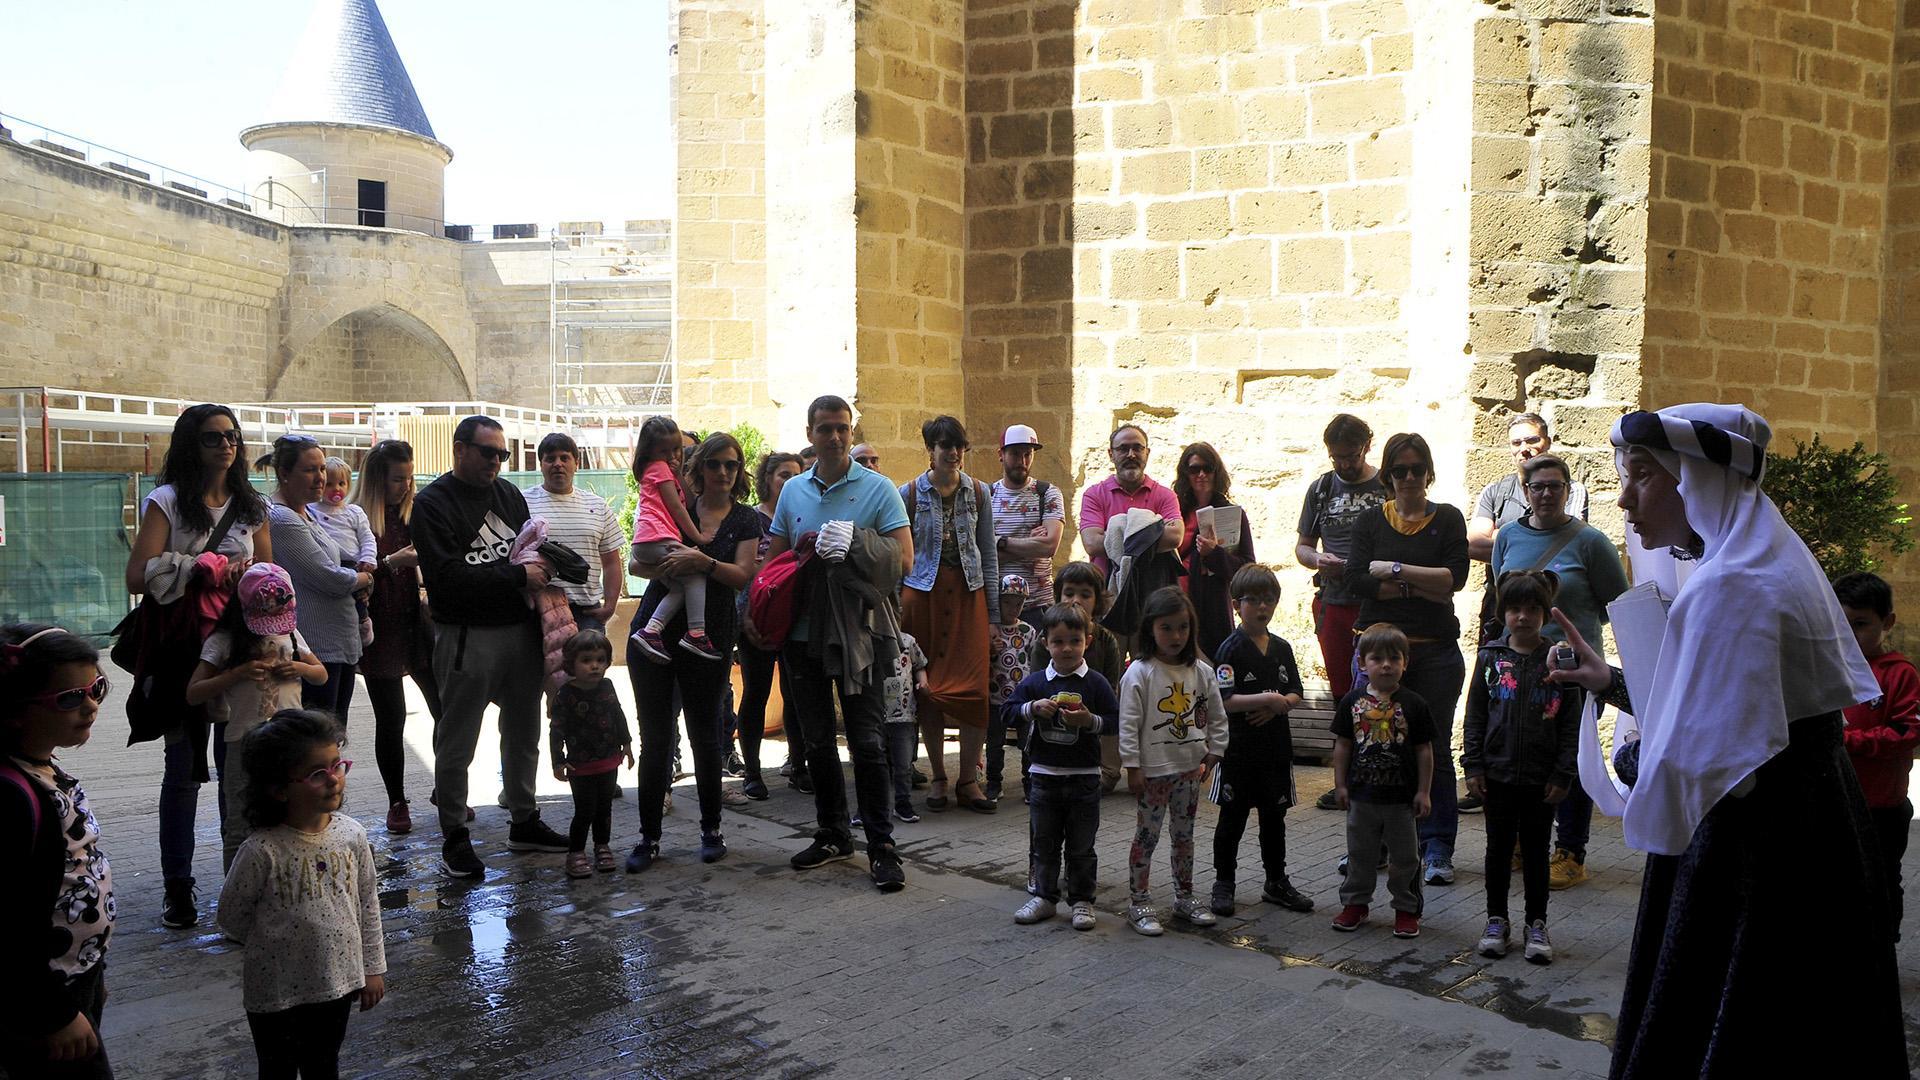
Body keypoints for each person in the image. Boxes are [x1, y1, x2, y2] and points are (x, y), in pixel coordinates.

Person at [1546, 404, 1903, 1077]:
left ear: (1698, 479)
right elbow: (1738, 707)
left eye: (1644, 476)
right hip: (1817, 829)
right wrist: (1612, 682)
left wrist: (1631, 759)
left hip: (1753, 853)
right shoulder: (1768, 559)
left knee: (1732, 1020)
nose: (1625, 498)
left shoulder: (1730, 588)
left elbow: (1709, 762)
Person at [757, 395, 913, 891]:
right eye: (825, 428)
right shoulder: (793, 492)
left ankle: (881, 844)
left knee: (867, 741)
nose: (835, 436)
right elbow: (776, 564)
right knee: (819, 742)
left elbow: (905, 560)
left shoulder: (878, 488)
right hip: (802, 634)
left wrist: (858, 541)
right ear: (810, 434)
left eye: (843, 428)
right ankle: (832, 833)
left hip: (858, 634)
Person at [125, 403, 271, 928]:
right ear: (192, 445)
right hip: (182, 651)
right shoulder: (166, 501)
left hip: (236, 646)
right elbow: (138, 576)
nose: (226, 445)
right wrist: (205, 567)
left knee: (239, 771)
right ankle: (178, 888)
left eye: (232, 436)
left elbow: (269, 576)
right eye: (213, 438)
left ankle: (239, 883)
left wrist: (247, 574)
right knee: (183, 773)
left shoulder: (252, 506)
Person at [413, 415, 568, 877]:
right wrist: (517, 575)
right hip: (467, 635)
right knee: (457, 739)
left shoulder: (508, 494)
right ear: (459, 449)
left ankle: (524, 819)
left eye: (502, 454)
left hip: (519, 631)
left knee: (524, 732)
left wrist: (555, 563)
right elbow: (445, 579)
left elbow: (527, 548)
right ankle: (455, 835)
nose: (497, 462)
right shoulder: (432, 503)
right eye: (488, 452)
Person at [217, 710, 385, 1080]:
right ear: (278, 789)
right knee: (276, 1068)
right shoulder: (262, 850)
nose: (334, 780)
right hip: (274, 991)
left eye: (337, 765)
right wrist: (275, 943)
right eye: (317, 773)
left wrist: (372, 968)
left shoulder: (352, 836)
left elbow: (367, 903)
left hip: (336, 983)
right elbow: (231, 916)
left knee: (323, 1065)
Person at [1488, 452, 1629, 888]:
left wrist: (1573, 638)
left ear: (1568, 491)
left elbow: (1616, 605)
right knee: (1520, 748)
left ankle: (1571, 851)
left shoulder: (1591, 541)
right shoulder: (1507, 537)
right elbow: (1503, 599)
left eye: (1555, 486)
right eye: (1538, 487)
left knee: (1571, 755)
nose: (1546, 493)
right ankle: (1518, 842)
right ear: (1525, 493)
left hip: (1572, 670)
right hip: (1520, 666)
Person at [625, 433, 763, 873]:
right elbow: (635, 563)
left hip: (709, 640)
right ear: (699, 468)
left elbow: (743, 576)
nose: (724, 472)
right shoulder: (675, 503)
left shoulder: (744, 520)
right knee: (656, 738)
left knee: (705, 736)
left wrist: (700, 562)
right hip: (655, 632)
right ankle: (648, 838)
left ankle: (711, 829)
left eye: (733, 465)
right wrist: (676, 563)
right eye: (716, 464)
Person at [1341, 431, 1469, 886]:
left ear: (1428, 472)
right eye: (1400, 469)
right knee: (1374, 748)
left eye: (1417, 468)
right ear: (1389, 475)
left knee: (1430, 749)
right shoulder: (1371, 522)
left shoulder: (1448, 519)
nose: (1409, 477)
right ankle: (1371, 846)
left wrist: (1394, 571)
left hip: (1434, 655)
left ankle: (1436, 848)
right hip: (1376, 655)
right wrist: (1422, 582)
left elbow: (1454, 580)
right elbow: (1357, 578)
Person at [1, 625, 116, 1079]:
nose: (90, 705)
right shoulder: (12, 797)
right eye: (70, 698)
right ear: (14, 710)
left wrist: (93, 974)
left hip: (73, 980)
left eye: (96, 689)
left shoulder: (43, 767)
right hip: (38, 1001)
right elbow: (8, 927)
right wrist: (53, 1012)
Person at [1463, 572, 1581, 965]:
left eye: (1533, 609)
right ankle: (1496, 920)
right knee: (1497, 851)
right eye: (1514, 609)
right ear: (1503, 613)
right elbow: (1475, 715)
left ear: (1546, 614)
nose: (1523, 617)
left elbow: (1570, 723)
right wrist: (1473, 764)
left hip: (1541, 780)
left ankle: (1537, 922)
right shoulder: (1489, 658)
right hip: (1496, 776)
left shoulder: (1560, 661)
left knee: (1535, 852)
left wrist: (1563, 772)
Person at [184, 564, 327, 870]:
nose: (272, 626)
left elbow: (321, 675)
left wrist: (299, 668)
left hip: (292, 740)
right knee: (240, 822)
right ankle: (238, 897)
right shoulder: (223, 640)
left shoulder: (289, 633)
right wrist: (236, 674)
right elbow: (194, 692)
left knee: (294, 814)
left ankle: (290, 881)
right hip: (244, 743)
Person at [900, 415, 1000, 815]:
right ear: (931, 449)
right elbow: (900, 554)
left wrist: (993, 614)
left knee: (975, 687)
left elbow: (988, 553)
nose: (954, 453)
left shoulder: (979, 492)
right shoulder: (906, 493)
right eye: (945, 445)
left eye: (959, 445)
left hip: (968, 597)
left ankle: (967, 780)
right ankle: (939, 776)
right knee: (929, 688)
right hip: (921, 597)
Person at [1118, 586, 1228, 936]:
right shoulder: (1140, 672)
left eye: (1182, 627)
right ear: (1150, 628)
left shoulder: (1202, 672)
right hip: (1152, 774)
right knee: (1146, 837)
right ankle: (1139, 901)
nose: (1176, 636)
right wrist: (1132, 767)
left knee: (1185, 836)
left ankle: (1185, 897)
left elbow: (1216, 715)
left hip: (1189, 771)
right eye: (1166, 627)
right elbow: (1128, 723)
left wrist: (1215, 752)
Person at [1005, 603, 1121, 931]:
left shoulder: (1096, 683)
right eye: (1058, 642)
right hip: (1043, 778)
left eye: (1074, 640)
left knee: (1082, 845)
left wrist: (1090, 720)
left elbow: (1114, 722)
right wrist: (1031, 708)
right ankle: (1044, 896)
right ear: (1045, 643)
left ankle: (1082, 900)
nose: (1067, 648)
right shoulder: (1037, 682)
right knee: (1044, 842)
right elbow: (1007, 712)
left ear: (1088, 640)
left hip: (1085, 779)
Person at [350, 439, 445, 835]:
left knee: (447, 709)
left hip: (416, 623)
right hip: (379, 628)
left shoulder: (414, 513)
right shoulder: (355, 518)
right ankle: (397, 801)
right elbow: (352, 578)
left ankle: (448, 788)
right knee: (391, 720)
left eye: (409, 478)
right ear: (376, 479)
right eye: (396, 479)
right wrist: (395, 561)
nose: (405, 486)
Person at [1209, 564, 1312, 917]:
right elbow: (1224, 701)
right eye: (1252, 600)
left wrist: (1279, 706)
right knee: (1232, 819)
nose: (1261, 607)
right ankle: (1224, 882)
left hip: (1275, 750)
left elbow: (1295, 691)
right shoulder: (1229, 650)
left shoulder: (1282, 648)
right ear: (1237, 604)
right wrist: (1266, 700)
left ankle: (1276, 881)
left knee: (1274, 818)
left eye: (1268, 600)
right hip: (1238, 752)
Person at [1329, 624, 1434, 939]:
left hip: (1401, 801)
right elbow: (1343, 746)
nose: (1386, 664)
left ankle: (1405, 909)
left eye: (1394, 658)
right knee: (1360, 855)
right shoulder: (1351, 702)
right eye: (1377, 658)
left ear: (1405, 662)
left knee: (1405, 859)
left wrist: (1424, 792)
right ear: (1362, 663)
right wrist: (1341, 785)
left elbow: (1424, 751)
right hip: (1362, 798)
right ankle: (1355, 904)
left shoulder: (1415, 704)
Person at [1834, 571, 1920, 939]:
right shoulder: (1829, 670)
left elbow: (1907, 732)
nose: (1850, 634)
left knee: (1882, 879)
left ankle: (1882, 947)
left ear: (1887, 623)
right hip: (1838, 801)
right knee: (1841, 880)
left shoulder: (1899, 675)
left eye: (1861, 624)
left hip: (1882, 807)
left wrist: (1849, 741)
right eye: (1842, 623)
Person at [264, 436, 368, 730]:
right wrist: (369, 575)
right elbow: (328, 577)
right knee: (317, 738)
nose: (321, 478)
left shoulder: (305, 512)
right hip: (316, 646)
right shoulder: (283, 519)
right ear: (284, 473)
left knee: (333, 736)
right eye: (310, 470)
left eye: (322, 468)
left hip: (337, 641)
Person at [1295, 413, 1387, 705]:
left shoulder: (1388, 487)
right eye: (1336, 458)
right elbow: (1303, 548)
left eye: (1351, 456)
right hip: (1334, 603)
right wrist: (1319, 559)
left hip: (1379, 602)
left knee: (1382, 688)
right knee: (1342, 692)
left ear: (1367, 446)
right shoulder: (1321, 489)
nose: (1345, 465)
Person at [1027, 561, 1130, 795]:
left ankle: (1108, 771)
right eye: (1069, 593)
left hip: (1091, 712)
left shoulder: (1105, 640)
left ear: (1097, 601)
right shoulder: (1046, 640)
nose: (1076, 600)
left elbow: (1110, 688)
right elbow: (1035, 684)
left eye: (1085, 594)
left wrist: (1091, 715)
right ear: (1058, 595)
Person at [737, 451, 806, 800]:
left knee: (796, 695)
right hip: (757, 617)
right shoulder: (751, 520)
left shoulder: (801, 517)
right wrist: (746, 614)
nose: (790, 481)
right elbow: (745, 573)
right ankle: (752, 770)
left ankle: (798, 764)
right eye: (783, 475)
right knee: (757, 692)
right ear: (767, 479)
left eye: (796, 475)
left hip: (793, 617)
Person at [631, 416, 721, 661]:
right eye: (665, 451)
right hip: (656, 537)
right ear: (650, 451)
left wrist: (679, 472)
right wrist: (699, 537)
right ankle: (697, 633)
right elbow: (678, 509)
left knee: (681, 587)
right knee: (695, 572)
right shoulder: (658, 469)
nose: (673, 456)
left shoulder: (662, 471)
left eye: (676, 449)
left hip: (648, 541)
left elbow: (687, 500)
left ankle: (652, 630)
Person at [549, 630, 633, 878]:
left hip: (608, 760)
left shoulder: (607, 686)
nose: (595, 666)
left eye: (600, 660)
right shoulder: (565, 695)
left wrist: (626, 743)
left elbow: (617, 715)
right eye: (586, 660)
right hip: (580, 765)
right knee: (584, 809)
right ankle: (575, 852)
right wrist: (558, 760)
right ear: (572, 663)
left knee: (604, 808)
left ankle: (601, 846)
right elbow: (556, 730)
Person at [525, 433, 626, 634]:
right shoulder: (522, 502)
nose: (557, 464)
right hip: (537, 610)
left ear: (576, 463)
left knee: (589, 667)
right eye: (550, 458)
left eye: (564, 458)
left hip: (587, 613)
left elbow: (612, 561)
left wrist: (610, 606)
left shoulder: (597, 506)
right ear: (541, 464)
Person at [1173, 441, 1256, 663]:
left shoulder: (1232, 514)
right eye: (1194, 469)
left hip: (1214, 603)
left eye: (1207, 468)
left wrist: (1214, 554)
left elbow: (1247, 567)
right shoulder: (1175, 512)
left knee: (1216, 667)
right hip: (1178, 599)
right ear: (1185, 474)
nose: (1201, 474)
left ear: (1216, 472)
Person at [1079, 424, 1183, 578]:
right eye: (1122, 449)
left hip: (1152, 591)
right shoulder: (1094, 495)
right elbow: (1093, 544)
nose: (1131, 455)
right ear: (1111, 454)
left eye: (1137, 448)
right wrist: (1153, 533)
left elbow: (1175, 537)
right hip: (1107, 593)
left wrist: (1113, 533)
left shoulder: (1165, 496)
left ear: (1147, 453)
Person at [989, 424, 1066, 627]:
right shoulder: (986, 496)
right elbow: (981, 555)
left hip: (1037, 606)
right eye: (1015, 454)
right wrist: (1032, 545)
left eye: (1027, 454)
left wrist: (999, 542)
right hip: (997, 608)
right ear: (1001, 454)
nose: (1022, 461)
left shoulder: (1047, 493)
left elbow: (1049, 546)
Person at [309, 457, 378, 647]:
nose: (336, 488)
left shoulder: (354, 512)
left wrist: (368, 558)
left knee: (359, 596)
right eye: (329, 484)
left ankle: (363, 621)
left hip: (353, 563)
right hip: (329, 562)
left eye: (341, 483)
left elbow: (367, 538)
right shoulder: (311, 510)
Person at [984, 575, 1036, 803]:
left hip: (1022, 699)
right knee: (995, 744)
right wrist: (991, 651)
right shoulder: (992, 631)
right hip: (996, 699)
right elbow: (980, 661)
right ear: (997, 602)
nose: (1014, 608)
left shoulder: (1028, 631)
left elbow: (1035, 661)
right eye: (1007, 602)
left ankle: (1030, 783)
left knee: (1027, 743)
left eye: (1019, 603)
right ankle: (994, 783)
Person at [881, 627, 929, 823]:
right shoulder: (867, 638)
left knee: (903, 765)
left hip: (904, 714)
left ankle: (903, 803)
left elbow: (919, 665)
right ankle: (871, 806)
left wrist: (923, 683)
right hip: (875, 713)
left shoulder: (908, 641)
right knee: (875, 764)